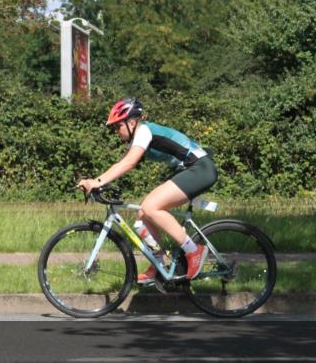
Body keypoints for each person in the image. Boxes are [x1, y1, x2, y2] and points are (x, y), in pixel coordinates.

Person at [76, 97, 218, 281]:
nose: (115, 131)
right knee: (144, 214)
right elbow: (122, 163)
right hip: (187, 169)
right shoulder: (138, 137)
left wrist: (97, 181)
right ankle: (159, 264)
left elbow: (129, 162)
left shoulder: (143, 131)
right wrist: (99, 181)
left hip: (200, 168)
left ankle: (194, 251)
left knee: (151, 207)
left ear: (131, 122)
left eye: (117, 126)